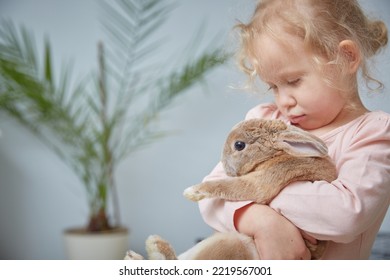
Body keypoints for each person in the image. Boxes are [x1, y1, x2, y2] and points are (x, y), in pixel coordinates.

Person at [198, 0, 390, 259]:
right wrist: (262, 222)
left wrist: (258, 189)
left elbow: (346, 215)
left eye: (293, 81)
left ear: (345, 58)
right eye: (274, 87)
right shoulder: (265, 122)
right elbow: (210, 192)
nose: (283, 101)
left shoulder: (372, 133)